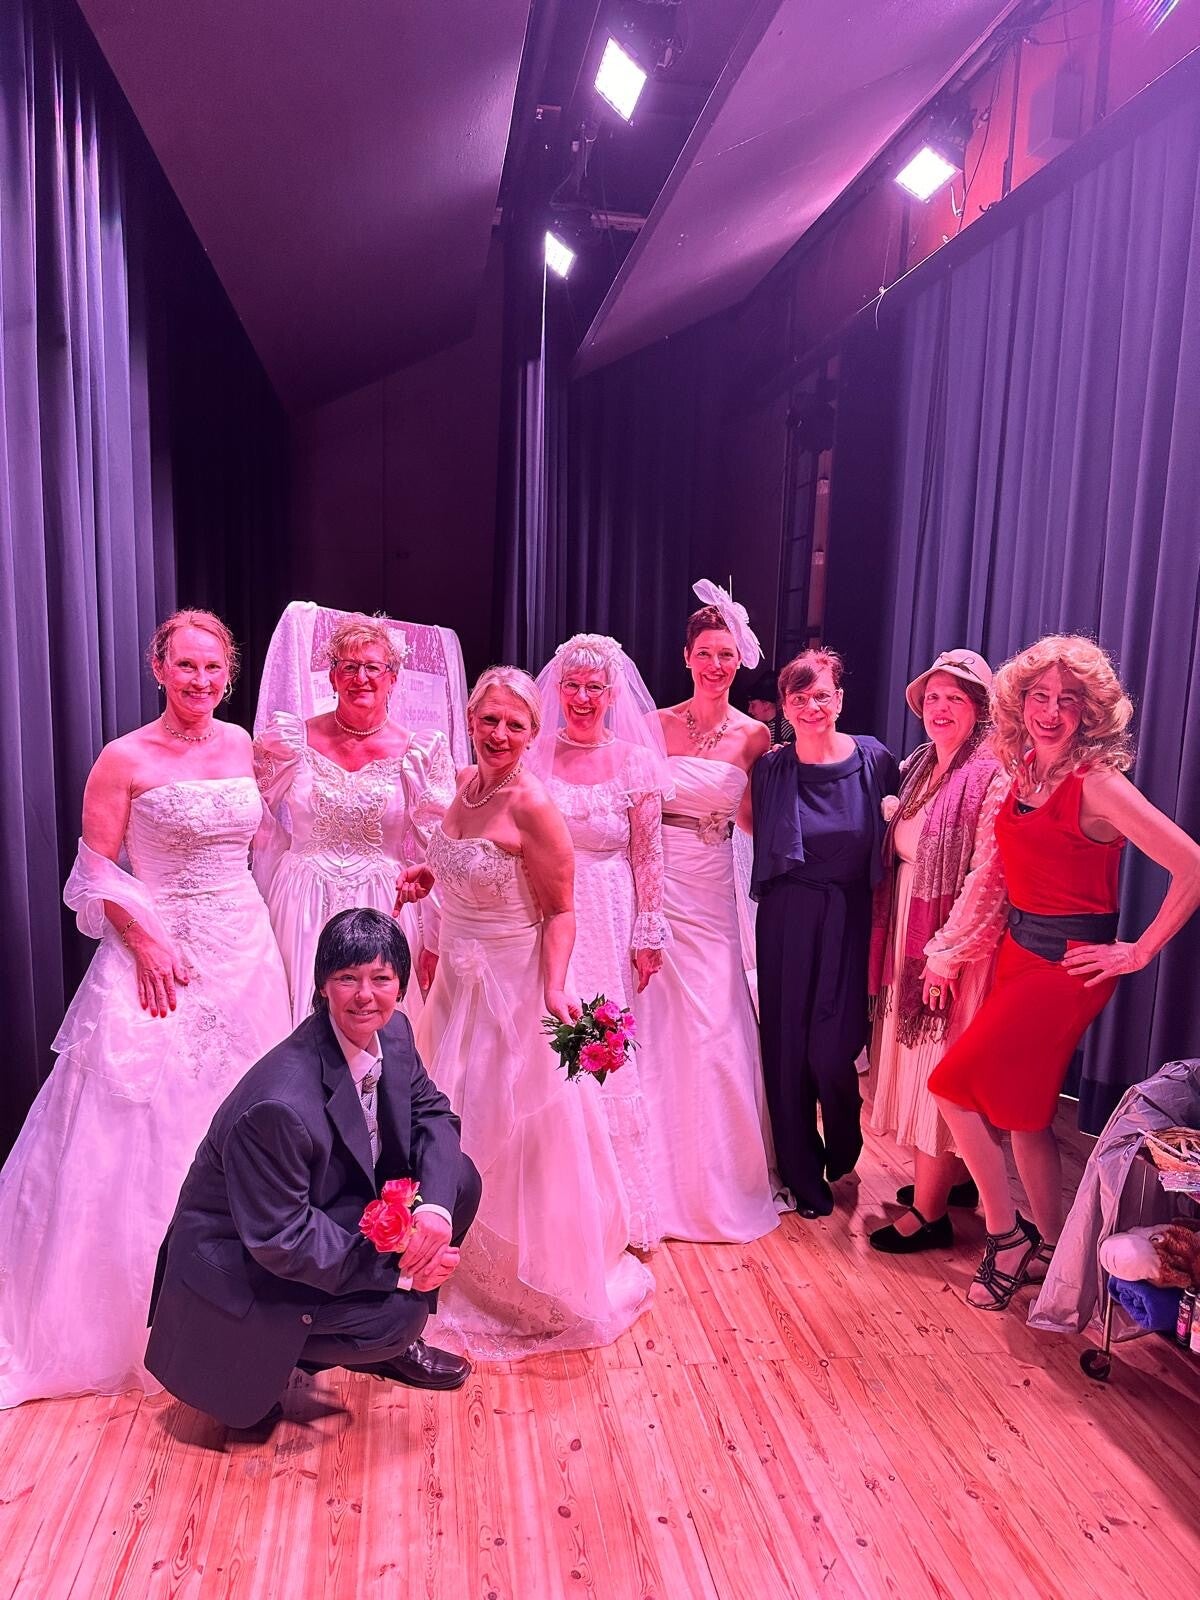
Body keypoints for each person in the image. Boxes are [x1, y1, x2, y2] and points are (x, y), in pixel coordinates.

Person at [0, 610, 291, 1407]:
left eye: (213, 668)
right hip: (157, 956)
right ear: (159, 668)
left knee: (249, 1116)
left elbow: (257, 842)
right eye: (186, 666)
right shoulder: (122, 758)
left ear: (228, 675)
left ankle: (247, 1309)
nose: (201, 680)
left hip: (244, 950)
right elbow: (92, 875)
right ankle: (135, 1316)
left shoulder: (240, 745)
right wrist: (146, 940)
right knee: (142, 1126)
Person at [929, 635, 1200, 1310]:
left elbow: (1193, 866)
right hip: (1018, 954)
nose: (1051, 713)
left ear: (1091, 710)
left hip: (1066, 970)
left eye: (1069, 700)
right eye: (1040, 697)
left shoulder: (1097, 782)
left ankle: (1006, 1238)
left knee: (950, 1089)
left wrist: (1136, 952)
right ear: (1020, 702)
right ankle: (1053, 1252)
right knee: (1024, 1117)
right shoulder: (1023, 767)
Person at [146, 910, 481, 1428]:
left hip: (316, 1211)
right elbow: (282, 1239)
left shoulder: (394, 1034)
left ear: (401, 985)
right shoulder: (279, 1104)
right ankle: (270, 1356)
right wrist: (403, 1272)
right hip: (246, 1267)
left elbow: (433, 1114)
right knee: (399, 1314)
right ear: (323, 987)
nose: (365, 995)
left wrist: (432, 1214)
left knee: (457, 1180)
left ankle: (369, 1335)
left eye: (381, 978)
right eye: (347, 978)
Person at [415, 667, 654, 1359]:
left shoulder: (535, 805)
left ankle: (521, 1281)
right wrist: (430, 875)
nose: (500, 734)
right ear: (471, 720)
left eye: (514, 725)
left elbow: (561, 910)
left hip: (511, 984)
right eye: (489, 720)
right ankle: (441, 1257)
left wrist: (553, 988)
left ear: (532, 733)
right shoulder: (466, 783)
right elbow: (465, 860)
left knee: (505, 1121)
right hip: (455, 982)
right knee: (446, 1112)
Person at [636, 581, 781, 1243]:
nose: (716, 664)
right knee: (655, 1019)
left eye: (727, 654)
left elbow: (752, 817)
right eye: (706, 653)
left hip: (714, 886)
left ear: (738, 659)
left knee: (716, 1023)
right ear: (686, 657)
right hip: (658, 883)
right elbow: (635, 811)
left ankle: (719, 1176)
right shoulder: (655, 725)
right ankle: (649, 1176)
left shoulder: (755, 735)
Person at [529, 634, 672, 1250]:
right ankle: (551, 1197)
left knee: (601, 1036)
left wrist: (648, 929)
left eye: (595, 687)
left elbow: (649, 853)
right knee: (545, 1034)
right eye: (573, 686)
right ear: (557, 690)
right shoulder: (535, 754)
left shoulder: (636, 761)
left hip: (610, 911)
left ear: (614, 694)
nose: (583, 698)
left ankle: (615, 1207)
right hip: (544, 909)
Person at [866, 650, 1008, 1252]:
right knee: (918, 1057)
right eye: (933, 698)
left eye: (955, 698)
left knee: (936, 1067)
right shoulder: (923, 763)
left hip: (952, 938)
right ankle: (949, 1181)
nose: (941, 708)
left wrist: (946, 954)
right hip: (910, 920)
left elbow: (987, 876)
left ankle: (930, 1214)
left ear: (980, 708)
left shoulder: (992, 773)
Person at [751, 648, 899, 1217]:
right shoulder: (770, 768)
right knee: (787, 1047)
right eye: (799, 697)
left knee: (833, 1051)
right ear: (785, 706)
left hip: (849, 915)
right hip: (787, 915)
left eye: (821, 695)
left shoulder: (874, 760)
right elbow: (754, 827)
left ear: (839, 699)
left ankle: (843, 1136)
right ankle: (802, 1175)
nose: (811, 706)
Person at [253, 614, 455, 1027]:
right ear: (332, 676)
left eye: (373, 667)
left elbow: (438, 851)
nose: (360, 678)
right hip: (301, 903)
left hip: (382, 903)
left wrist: (436, 938)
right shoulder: (290, 740)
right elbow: (252, 817)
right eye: (349, 666)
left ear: (393, 678)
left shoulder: (421, 752)